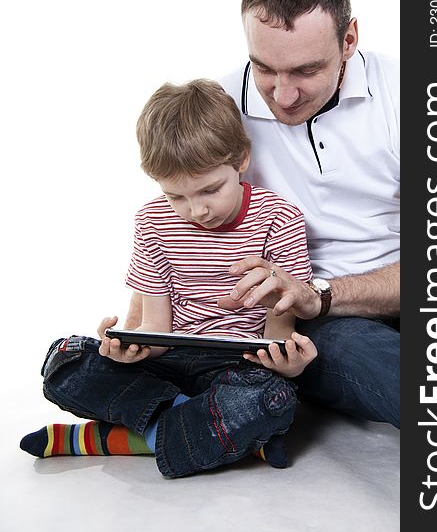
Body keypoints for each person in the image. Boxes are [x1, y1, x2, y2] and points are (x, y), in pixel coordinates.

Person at [125, 0, 400, 428]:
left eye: (307, 70)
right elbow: (169, 223)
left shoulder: (411, 96)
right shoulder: (221, 105)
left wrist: (324, 291)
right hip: (323, 324)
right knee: (373, 360)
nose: (283, 94)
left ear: (349, 39)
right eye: (265, 68)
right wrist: (139, 329)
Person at [20, 79, 317, 478]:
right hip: (170, 363)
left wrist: (290, 365)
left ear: (242, 159)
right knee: (65, 358)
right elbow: (155, 326)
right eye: (176, 196)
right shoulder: (152, 221)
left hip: (238, 365)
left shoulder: (279, 218)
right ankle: (215, 431)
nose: (197, 210)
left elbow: (277, 334)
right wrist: (130, 347)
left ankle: (109, 439)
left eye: (211, 190)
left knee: (273, 397)